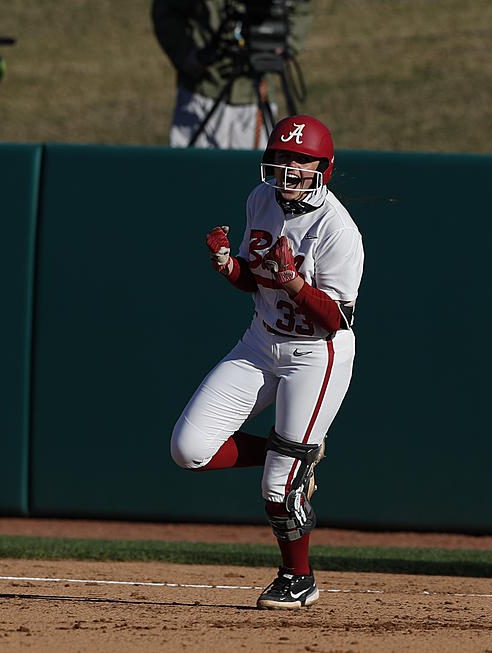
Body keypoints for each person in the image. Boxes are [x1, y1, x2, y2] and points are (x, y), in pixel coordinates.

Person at [170, 115, 364, 609]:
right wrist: (226, 265)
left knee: (278, 488)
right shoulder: (260, 200)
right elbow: (253, 281)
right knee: (189, 449)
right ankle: (296, 455)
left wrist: (294, 282)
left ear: (324, 167)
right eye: (282, 158)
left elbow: (336, 320)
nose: (290, 168)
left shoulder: (337, 227)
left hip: (315, 356)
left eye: (302, 160)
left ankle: (298, 577)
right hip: (260, 341)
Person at [151, 0, 313, 149]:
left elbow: (301, 9)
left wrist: (285, 45)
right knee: (191, 172)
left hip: (256, 95)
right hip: (203, 89)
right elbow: (166, 10)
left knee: (254, 175)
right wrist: (185, 54)